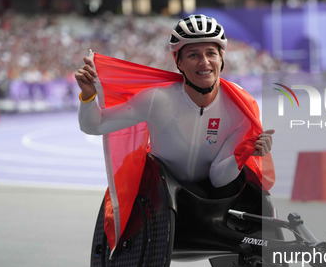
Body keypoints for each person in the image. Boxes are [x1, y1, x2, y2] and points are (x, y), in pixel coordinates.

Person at [75, 14, 274, 193]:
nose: (204, 62)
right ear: (178, 62)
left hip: (209, 196)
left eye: (211, 53)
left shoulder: (241, 108)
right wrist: (88, 96)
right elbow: (95, 125)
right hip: (159, 193)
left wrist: (244, 152)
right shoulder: (156, 100)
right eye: (193, 55)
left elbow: (218, 178)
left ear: (221, 58)